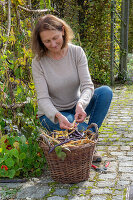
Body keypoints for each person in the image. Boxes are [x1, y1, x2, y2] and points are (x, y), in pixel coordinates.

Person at [31, 14, 113, 162]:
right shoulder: (38, 62)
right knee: (69, 122)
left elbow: (87, 86)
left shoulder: (76, 52)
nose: (53, 44)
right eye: (47, 41)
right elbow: (43, 98)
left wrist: (81, 104)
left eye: (55, 37)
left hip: (75, 107)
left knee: (105, 92)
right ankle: (88, 143)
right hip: (52, 115)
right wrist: (57, 115)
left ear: (63, 30)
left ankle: (86, 142)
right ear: (41, 42)